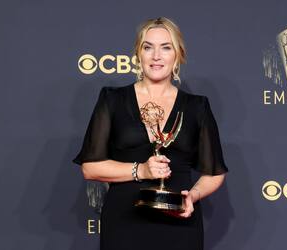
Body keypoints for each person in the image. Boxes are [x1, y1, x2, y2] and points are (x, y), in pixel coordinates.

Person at [73, 17, 228, 250]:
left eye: (166, 47)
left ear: (178, 55)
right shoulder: (112, 100)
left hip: (179, 224)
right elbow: (90, 167)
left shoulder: (197, 107)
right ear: (138, 54)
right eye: (148, 47)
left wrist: (192, 196)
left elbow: (214, 172)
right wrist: (141, 170)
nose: (156, 56)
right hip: (125, 222)